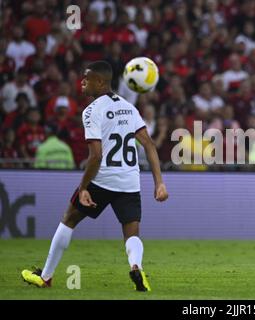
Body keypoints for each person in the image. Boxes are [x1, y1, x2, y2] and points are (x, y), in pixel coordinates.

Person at [21, 61, 168, 291]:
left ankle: (45, 277)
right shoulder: (129, 107)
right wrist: (159, 183)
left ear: (100, 82)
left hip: (103, 179)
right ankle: (136, 266)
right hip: (129, 181)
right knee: (132, 231)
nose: (82, 82)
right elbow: (149, 144)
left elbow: (96, 156)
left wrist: (83, 187)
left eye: (86, 78)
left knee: (69, 218)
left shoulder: (91, 111)